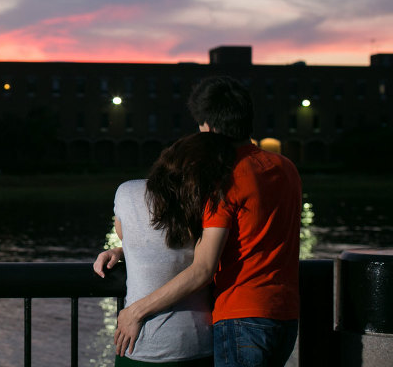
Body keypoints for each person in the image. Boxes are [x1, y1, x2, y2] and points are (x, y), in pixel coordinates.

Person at [103, 76, 302, 367]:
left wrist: (135, 312)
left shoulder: (224, 179)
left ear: (207, 126)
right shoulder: (286, 168)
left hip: (241, 317)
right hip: (285, 317)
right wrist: (124, 250)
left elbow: (203, 268)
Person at [94, 132, 238, 366]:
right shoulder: (208, 203)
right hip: (196, 340)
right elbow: (203, 263)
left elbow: (131, 237)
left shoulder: (126, 192)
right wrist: (122, 251)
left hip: (137, 340)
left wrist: (122, 251)